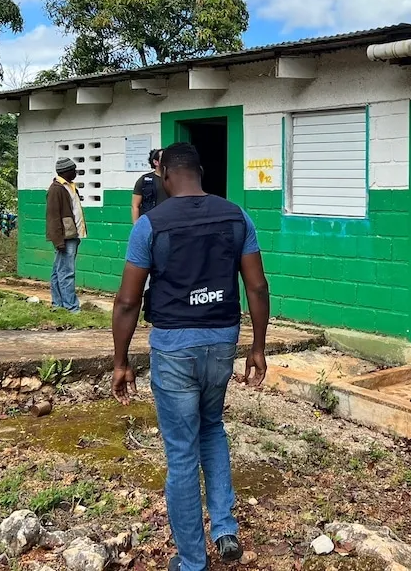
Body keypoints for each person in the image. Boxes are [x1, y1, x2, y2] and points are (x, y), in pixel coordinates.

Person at [111, 142, 270, 571]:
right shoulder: (237, 217)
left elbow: (128, 302)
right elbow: (256, 287)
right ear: (201, 173)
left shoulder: (150, 225)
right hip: (222, 343)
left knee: (182, 452)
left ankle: (192, 562)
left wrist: (121, 361)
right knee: (213, 427)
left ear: (164, 176)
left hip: (174, 348)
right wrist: (257, 347)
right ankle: (224, 528)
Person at [46, 157, 86, 312]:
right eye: (73, 170)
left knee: (58, 271)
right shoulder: (56, 189)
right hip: (65, 237)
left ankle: (58, 304)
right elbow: (53, 217)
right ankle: (71, 307)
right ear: (66, 171)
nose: (75, 172)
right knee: (66, 273)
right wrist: (58, 241)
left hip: (71, 235)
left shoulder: (70, 186)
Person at [132, 148, 166, 223]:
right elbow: (135, 206)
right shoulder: (144, 180)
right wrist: (136, 226)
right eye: (163, 157)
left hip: (168, 223)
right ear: (156, 162)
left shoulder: (174, 179)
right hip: (150, 223)